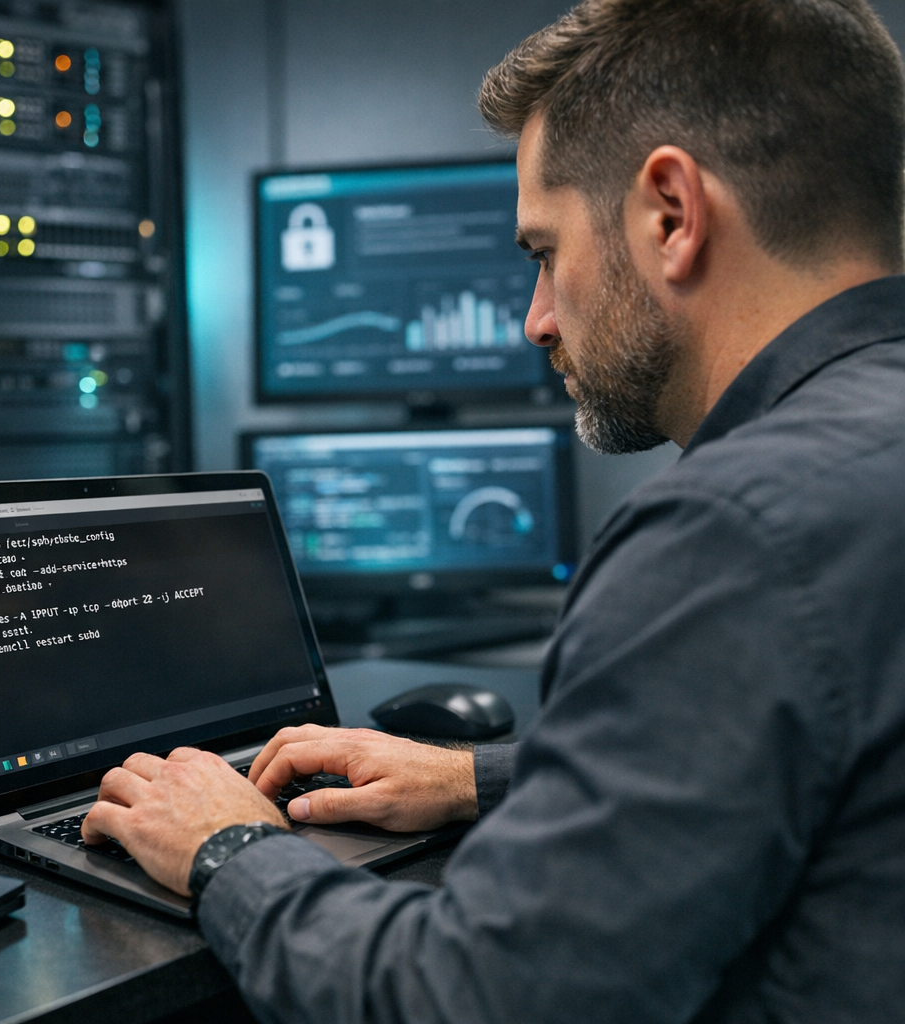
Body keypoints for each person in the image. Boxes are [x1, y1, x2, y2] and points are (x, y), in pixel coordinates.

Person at [82, 0, 905, 1019]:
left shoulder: (730, 534)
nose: (536, 320)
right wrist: (484, 779)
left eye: (542, 252)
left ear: (670, 215)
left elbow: (471, 998)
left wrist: (228, 845)